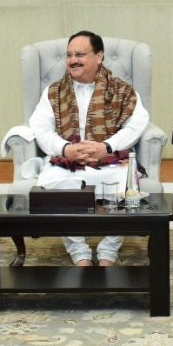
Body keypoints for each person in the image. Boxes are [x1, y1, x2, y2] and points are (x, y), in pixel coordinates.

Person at [28, 30, 150, 266]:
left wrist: (107, 146)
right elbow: (40, 127)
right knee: (49, 183)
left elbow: (137, 124)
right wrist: (65, 149)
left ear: (99, 56)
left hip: (108, 160)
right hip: (68, 161)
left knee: (125, 184)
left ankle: (108, 251)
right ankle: (79, 251)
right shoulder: (54, 91)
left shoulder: (122, 91)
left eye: (80, 54)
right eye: (69, 55)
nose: (73, 60)